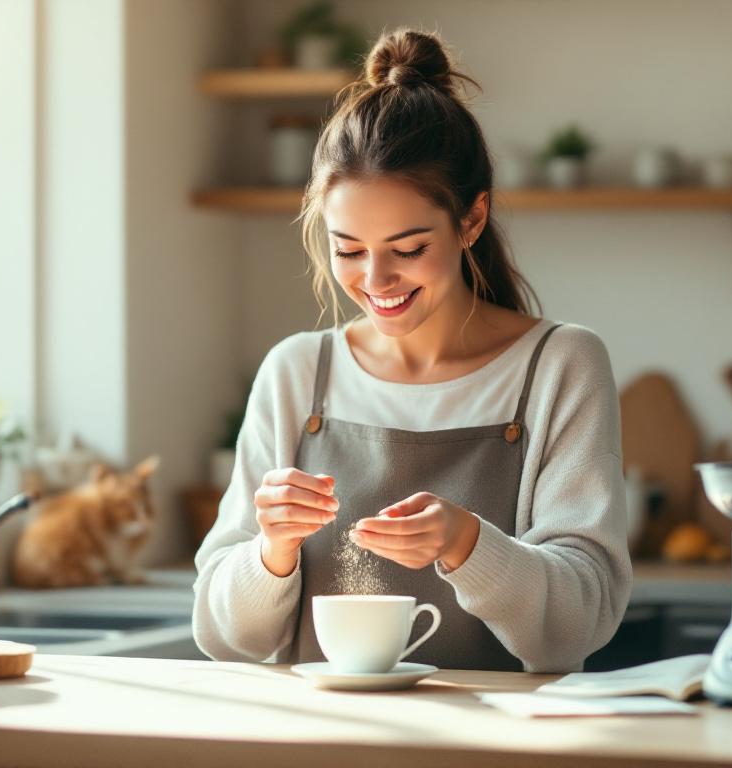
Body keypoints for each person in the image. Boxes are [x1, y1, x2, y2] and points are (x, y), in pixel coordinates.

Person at [193, 28, 631, 673]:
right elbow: (224, 638)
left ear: (471, 220)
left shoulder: (560, 366)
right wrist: (272, 550)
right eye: (348, 250)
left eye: (408, 249)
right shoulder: (296, 372)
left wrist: (469, 543)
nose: (375, 282)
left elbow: (579, 624)